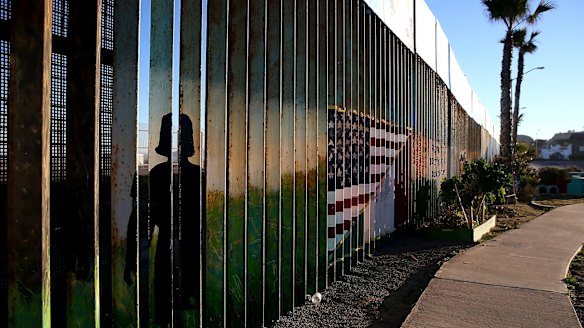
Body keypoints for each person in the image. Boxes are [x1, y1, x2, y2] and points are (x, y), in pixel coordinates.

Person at [125, 113, 201, 325]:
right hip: (192, 247)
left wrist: (132, 257)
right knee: (189, 302)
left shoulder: (156, 174)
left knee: (166, 304)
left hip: (167, 247)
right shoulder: (198, 175)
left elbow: (141, 221)